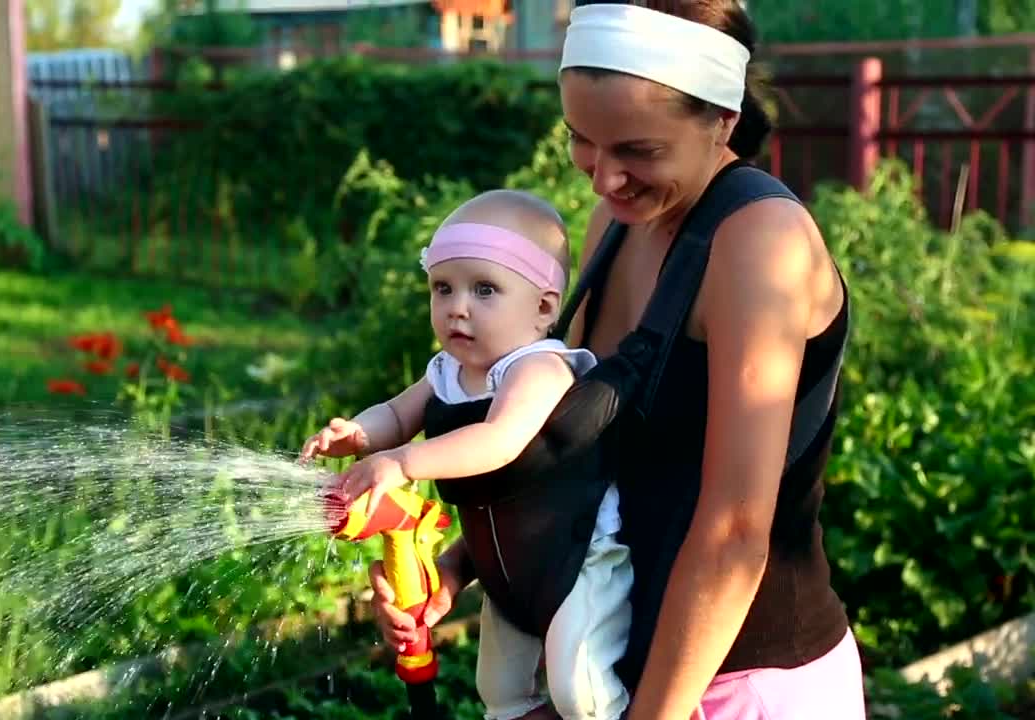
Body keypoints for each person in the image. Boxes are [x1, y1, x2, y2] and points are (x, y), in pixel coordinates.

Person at [365, 1, 867, 719]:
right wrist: (464, 569)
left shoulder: (759, 242)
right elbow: (586, 455)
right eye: (582, 141)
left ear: (722, 120)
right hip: (616, 669)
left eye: (637, 150)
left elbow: (732, 535)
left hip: (736, 684)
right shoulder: (616, 226)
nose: (603, 179)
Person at [300, 188, 634, 720]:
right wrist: (358, 435)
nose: (457, 307)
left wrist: (403, 462)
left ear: (544, 307)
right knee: (499, 690)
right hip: (506, 571)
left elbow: (499, 439)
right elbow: (394, 414)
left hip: (576, 562)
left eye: (484, 289)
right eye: (443, 288)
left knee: (581, 692)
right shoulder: (446, 374)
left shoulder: (540, 369)